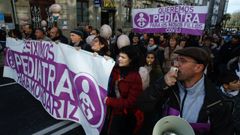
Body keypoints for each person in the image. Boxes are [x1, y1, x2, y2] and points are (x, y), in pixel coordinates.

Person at [137, 47, 234, 135]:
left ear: (198, 68)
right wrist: (162, 83)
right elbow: (142, 104)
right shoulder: (169, 86)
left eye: (182, 61)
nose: (176, 65)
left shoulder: (215, 101)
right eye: (177, 60)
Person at [104, 45, 143, 135]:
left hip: (126, 117)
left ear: (131, 60)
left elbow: (131, 102)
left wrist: (110, 101)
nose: (119, 59)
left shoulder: (135, 77)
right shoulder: (117, 69)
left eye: (123, 57)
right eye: (119, 56)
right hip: (113, 111)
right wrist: (98, 57)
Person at [217, 70, 240, 135]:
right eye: (235, 82)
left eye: (239, 80)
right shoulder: (215, 94)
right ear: (225, 85)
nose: (239, 83)